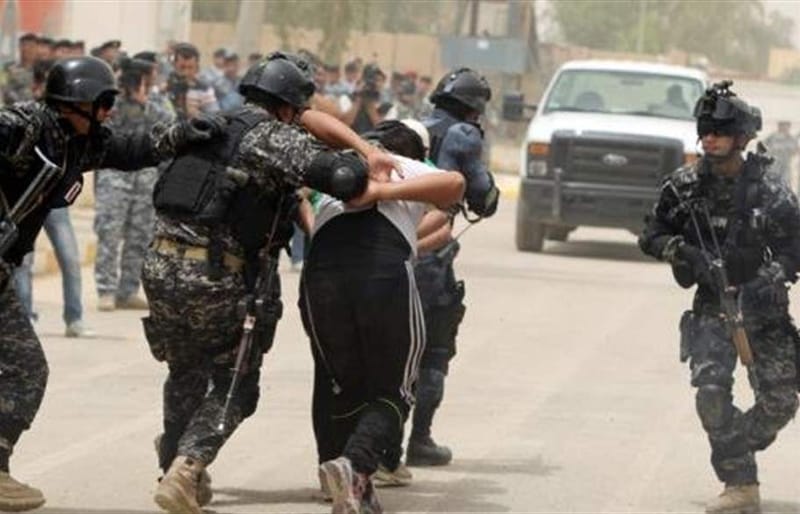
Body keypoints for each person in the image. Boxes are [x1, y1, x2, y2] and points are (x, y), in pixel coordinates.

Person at [143, 52, 395, 514]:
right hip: (216, 275)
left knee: (184, 372)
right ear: (288, 108)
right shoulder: (272, 136)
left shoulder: (213, 125)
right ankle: (186, 469)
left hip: (161, 267)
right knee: (236, 383)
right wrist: (364, 154)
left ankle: (172, 466)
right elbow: (343, 178)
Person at [0, 56, 220, 511]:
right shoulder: (24, 127)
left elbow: (133, 149)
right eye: (100, 104)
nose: (106, 114)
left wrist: (181, 135)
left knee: (25, 371)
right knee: (25, 370)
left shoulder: (80, 144)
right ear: (72, 104)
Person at [639, 80, 800, 514]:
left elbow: (794, 243)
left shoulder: (768, 187)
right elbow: (651, 233)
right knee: (710, 392)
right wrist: (682, 251)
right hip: (713, 307)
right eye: (705, 128)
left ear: (742, 137)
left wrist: (773, 275)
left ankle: (734, 448)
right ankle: (740, 483)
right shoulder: (684, 186)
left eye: (721, 130)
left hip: (764, 311)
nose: (710, 136)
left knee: (781, 402)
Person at [302, 120, 465, 514]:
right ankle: (355, 466)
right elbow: (456, 184)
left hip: (320, 273)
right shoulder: (400, 164)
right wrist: (382, 191)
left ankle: (344, 475)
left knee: (340, 382)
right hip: (380, 270)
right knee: (395, 390)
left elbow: (296, 197)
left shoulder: (332, 168)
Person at [395, 68, 500, 469]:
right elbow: (483, 197)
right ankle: (417, 441)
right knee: (434, 349)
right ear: (475, 107)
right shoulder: (463, 135)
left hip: (395, 239)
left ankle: (386, 445)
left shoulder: (415, 128)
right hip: (431, 253)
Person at [94, 58, 172, 311]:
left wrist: (143, 104)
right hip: (115, 175)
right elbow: (101, 130)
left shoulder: (157, 100)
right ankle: (106, 289)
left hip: (145, 175)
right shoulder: (110, 101)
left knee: (140, 235)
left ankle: (128, 290)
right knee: (110, 232)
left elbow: (168, 127)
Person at [166, 43, 219, 120]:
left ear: (197, 67)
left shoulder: (204, 89)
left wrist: (196, 115)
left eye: (190, 67)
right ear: (174, 65)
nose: (186, 72)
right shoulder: (165, 87)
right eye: (182, 67)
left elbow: (214, 117)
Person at [2, 33, 38, 106]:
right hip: (13, 110)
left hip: (36, 112)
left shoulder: (41, 70)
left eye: (31, 46)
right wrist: (22, 104)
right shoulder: (7, 68)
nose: (27, 49)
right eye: (24, 45)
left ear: (36, 48)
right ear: (19, 47)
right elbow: (4, 88)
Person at [763, 120, 798, 188]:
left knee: (786, 184)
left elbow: (795, 151)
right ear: (779, 126)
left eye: (787, 126)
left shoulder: (790, 138)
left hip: (785, 166)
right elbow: (762, 147)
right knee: (772, 183)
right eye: (783, 125)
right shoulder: (772, 137)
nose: (785, 128)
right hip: (773, 165)